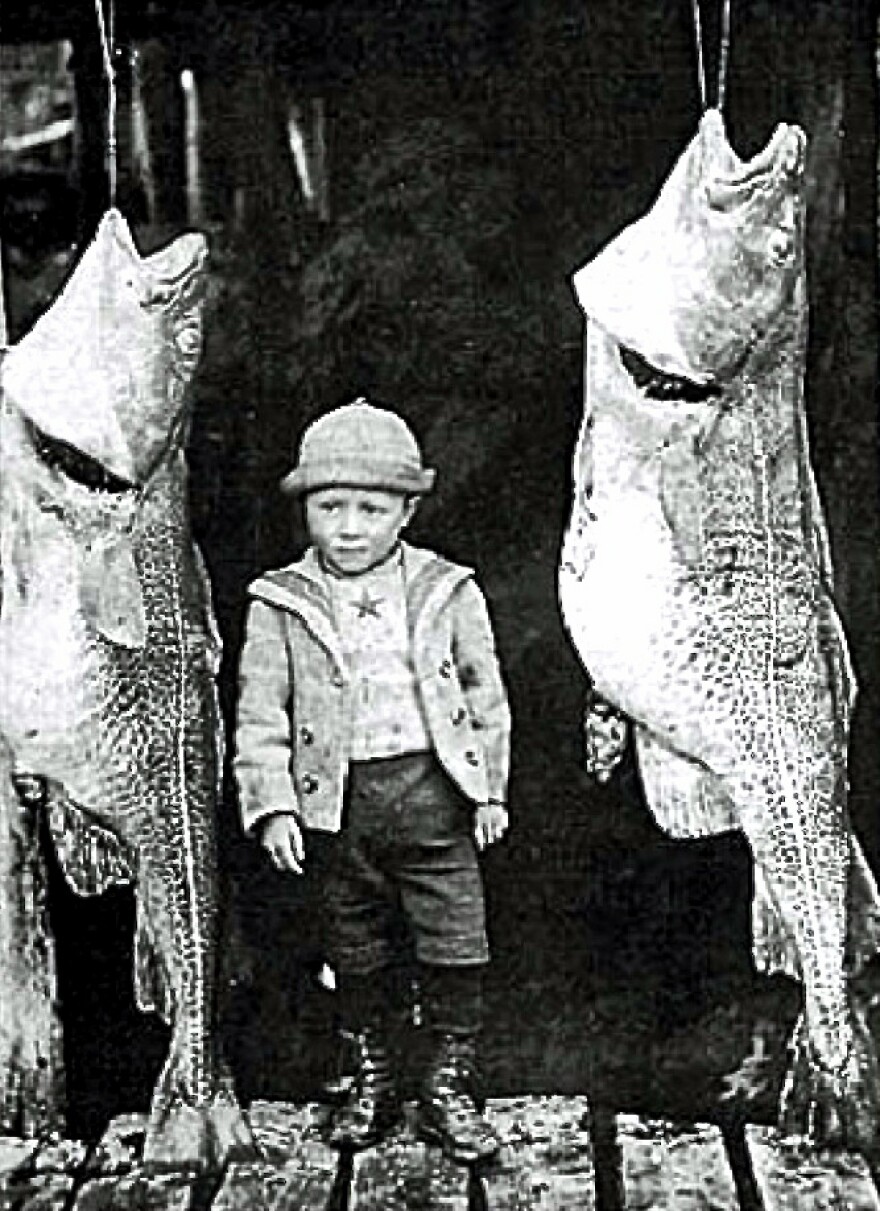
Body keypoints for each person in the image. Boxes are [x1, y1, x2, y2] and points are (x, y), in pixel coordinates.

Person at [233, 397, 511, 1164]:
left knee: (456, 939)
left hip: (433, 798)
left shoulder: (445, 589)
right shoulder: (279, 602)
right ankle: (372, 1076)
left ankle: (448, 1086)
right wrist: (273, 807)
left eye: (370, 506)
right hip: (338, 809)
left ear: (408, 509)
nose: (349, 525)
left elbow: (485, 694)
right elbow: (261, 715)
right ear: (306, 509)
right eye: (330, 506)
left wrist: (488, 790)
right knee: (353, 946)